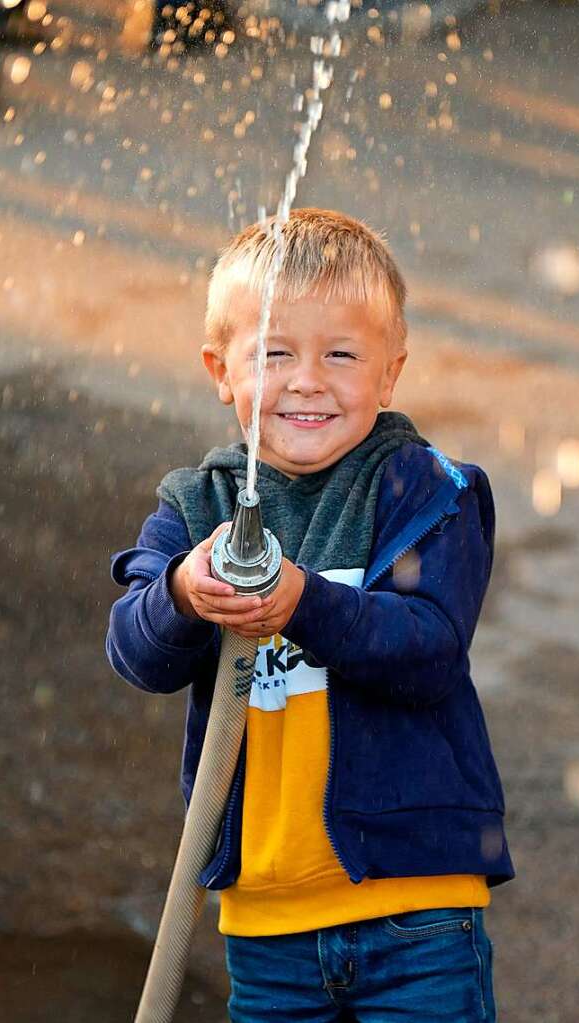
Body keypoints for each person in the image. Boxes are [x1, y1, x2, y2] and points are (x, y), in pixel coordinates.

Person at [106, 207, 515, 1022]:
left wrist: (303, 600)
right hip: (266, 922)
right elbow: (136, 651)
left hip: (415, 907)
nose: (307, 379)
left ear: (389, 372)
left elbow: (428, 648)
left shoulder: (427, 489)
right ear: (221, 369)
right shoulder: (198, 506)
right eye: (275, 353)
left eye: (341, 354)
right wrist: (184, 591)